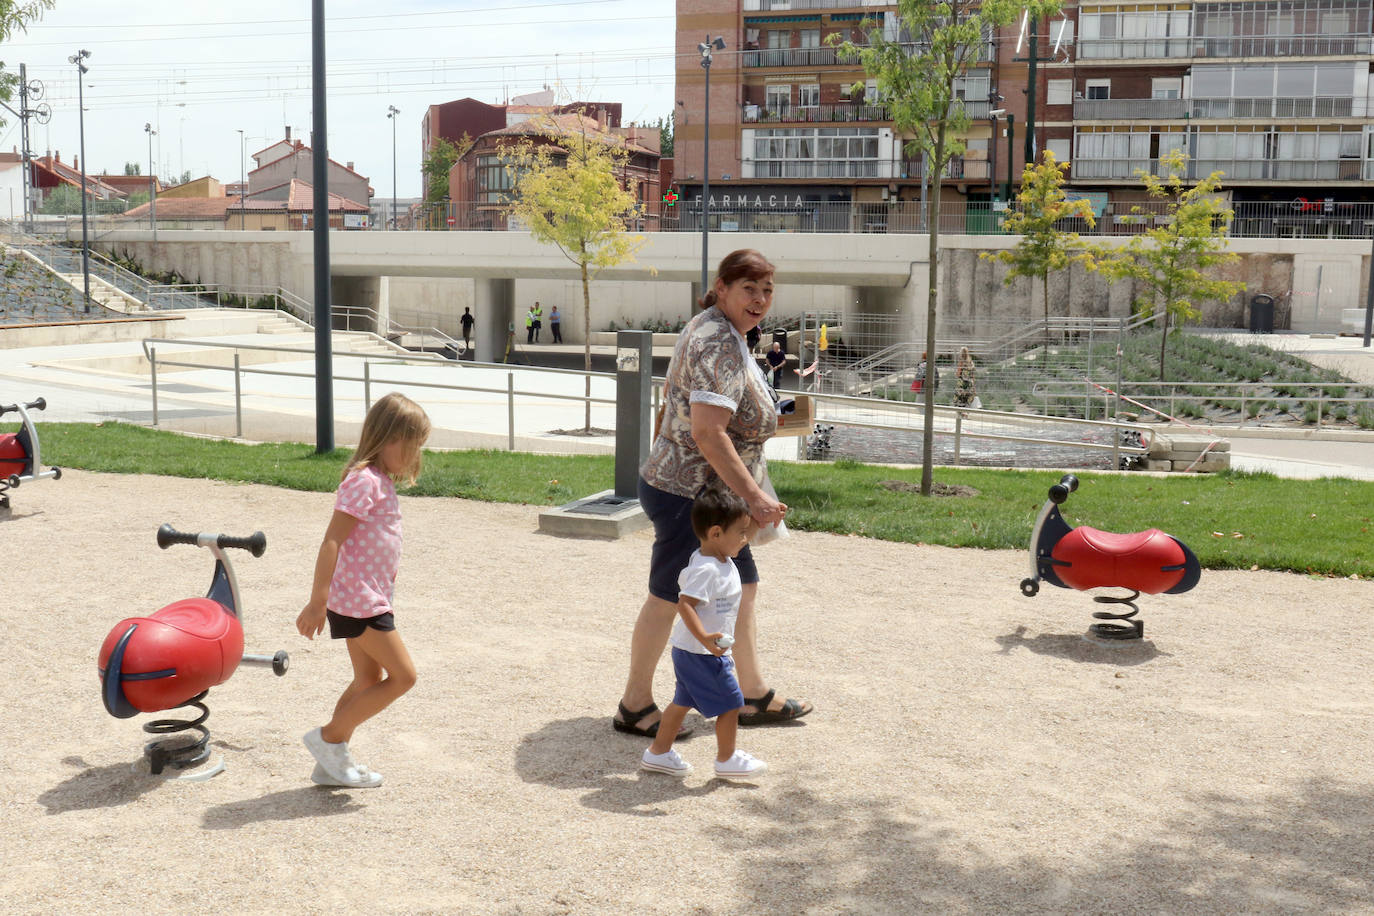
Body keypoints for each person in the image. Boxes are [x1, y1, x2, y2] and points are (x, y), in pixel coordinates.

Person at [614, 248, 813, 740]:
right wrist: (756, 498)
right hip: (692, 496)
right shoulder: (718, 343)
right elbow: (707, 431)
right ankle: (634, 705)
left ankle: (749, 694)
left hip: (712, 495)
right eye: (750, 288)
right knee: (668, 597)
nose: (761, 299)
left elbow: (676, 402)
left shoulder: (721, 330)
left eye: (767, 290)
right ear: (722, 287)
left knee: (742, 585)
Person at [297, 392, 432, 788]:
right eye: (413, 446)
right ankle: (328, 738)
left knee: (367, 680)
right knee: (404, 676)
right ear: (390, 439)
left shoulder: (379, 482)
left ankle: (330, 764)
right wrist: (317, 600)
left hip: (364, 598)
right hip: (359, 603)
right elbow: (332, 540)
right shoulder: (364, 481)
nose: (415, 456)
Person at [640, 485, 767, 780]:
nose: (746, 539)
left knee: (682, 702)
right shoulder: (706, 569)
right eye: (741, 533)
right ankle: (727, 759)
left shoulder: (722, 558)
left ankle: (658, 754)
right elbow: (684, 604)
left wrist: (766, 518)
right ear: (716, 534)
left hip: (694, 651)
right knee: (733, 702)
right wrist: (705, 638)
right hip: (701, 653)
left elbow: (743, 530)